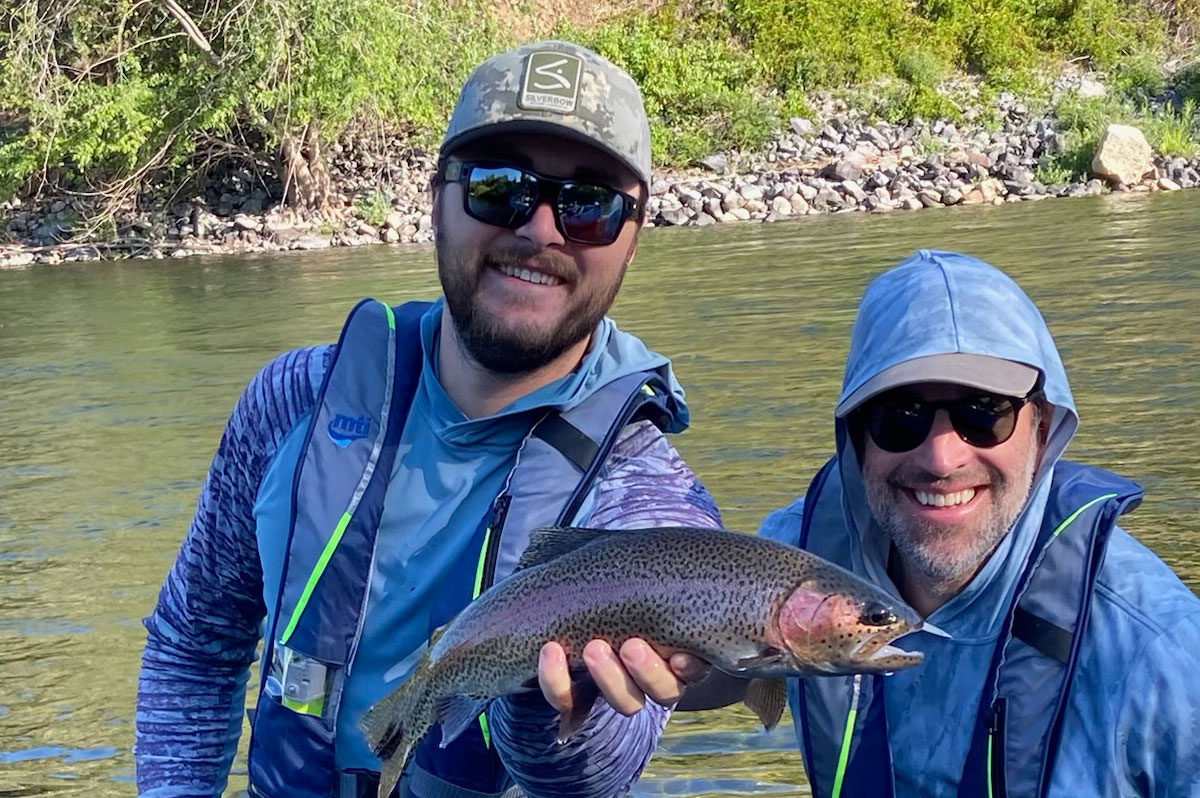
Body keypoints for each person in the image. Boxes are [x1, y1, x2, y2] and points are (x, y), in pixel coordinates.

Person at [134, 40, 721, 798]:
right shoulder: (292, 400)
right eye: (499, 186)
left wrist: (542, 700)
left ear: (633, 237)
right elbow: (195, 644)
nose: (541, 229)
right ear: (435, 197)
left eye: (588, 204)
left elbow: (588, 778)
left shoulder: (651, 503)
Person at [754, 250, 1200, 796]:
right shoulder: (790, 565)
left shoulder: (1162, 653)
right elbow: (709, 665)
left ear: (1043, 428)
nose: (942, 459)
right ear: (857, 439)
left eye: (984, 412)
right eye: (901, 417)